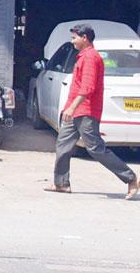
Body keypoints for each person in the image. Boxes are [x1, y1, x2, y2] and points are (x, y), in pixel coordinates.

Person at [46, 24, 140, 198]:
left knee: (95, 148)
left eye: (74, 38)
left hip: (85, 111)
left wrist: (73, 107)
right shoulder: (83, 56)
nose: (72, 41)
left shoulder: (91, 58)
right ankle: (61, 183)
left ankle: (130, 178)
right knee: (63, 145)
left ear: (84, 38)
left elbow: (88, 88)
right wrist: (69, 108)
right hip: (75, 110)